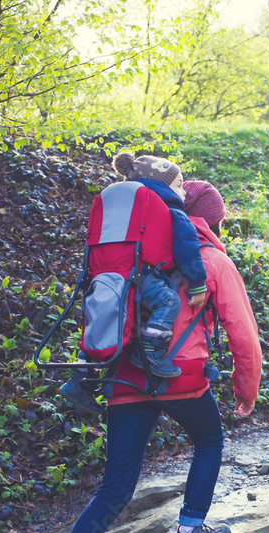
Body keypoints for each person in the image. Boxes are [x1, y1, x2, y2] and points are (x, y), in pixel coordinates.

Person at [24, 182, 262, 533]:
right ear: (209, 220)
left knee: (114, 487)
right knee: (210, 442)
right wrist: (244, 390)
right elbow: (243, 335)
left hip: (126, 379)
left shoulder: (134, 257)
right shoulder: (212, 261)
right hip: (181, 378)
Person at [58, 152, 209, 414]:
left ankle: (77, 381)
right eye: (178, 185)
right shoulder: (169, 207)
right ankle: (151, 354)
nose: (183, 192)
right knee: (168, 301)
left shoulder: (123, 206)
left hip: (102, 275)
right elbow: (187, 245)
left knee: (103, 320)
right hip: (140, 274)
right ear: (161, 185)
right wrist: (197, 284)